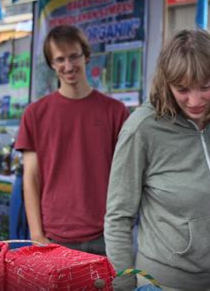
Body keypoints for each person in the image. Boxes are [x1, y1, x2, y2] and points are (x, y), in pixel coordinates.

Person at [105, 29, 210, 291]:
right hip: (164, 284)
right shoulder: (142, 129)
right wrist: (123, 284)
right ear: (166, 83)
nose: (195, 101)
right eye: (182, 89)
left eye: (205, 87)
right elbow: (118, 216)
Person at [15, 25, 129, 254]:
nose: (68, 66)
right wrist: (37, 234)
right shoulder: (35, 114)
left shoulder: (115, 112)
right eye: (60, 59)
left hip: (106, 235)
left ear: (86, 56)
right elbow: (31, 178)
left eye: (74, 56)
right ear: (52, 64)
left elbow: (127, 176)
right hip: (53, 236)